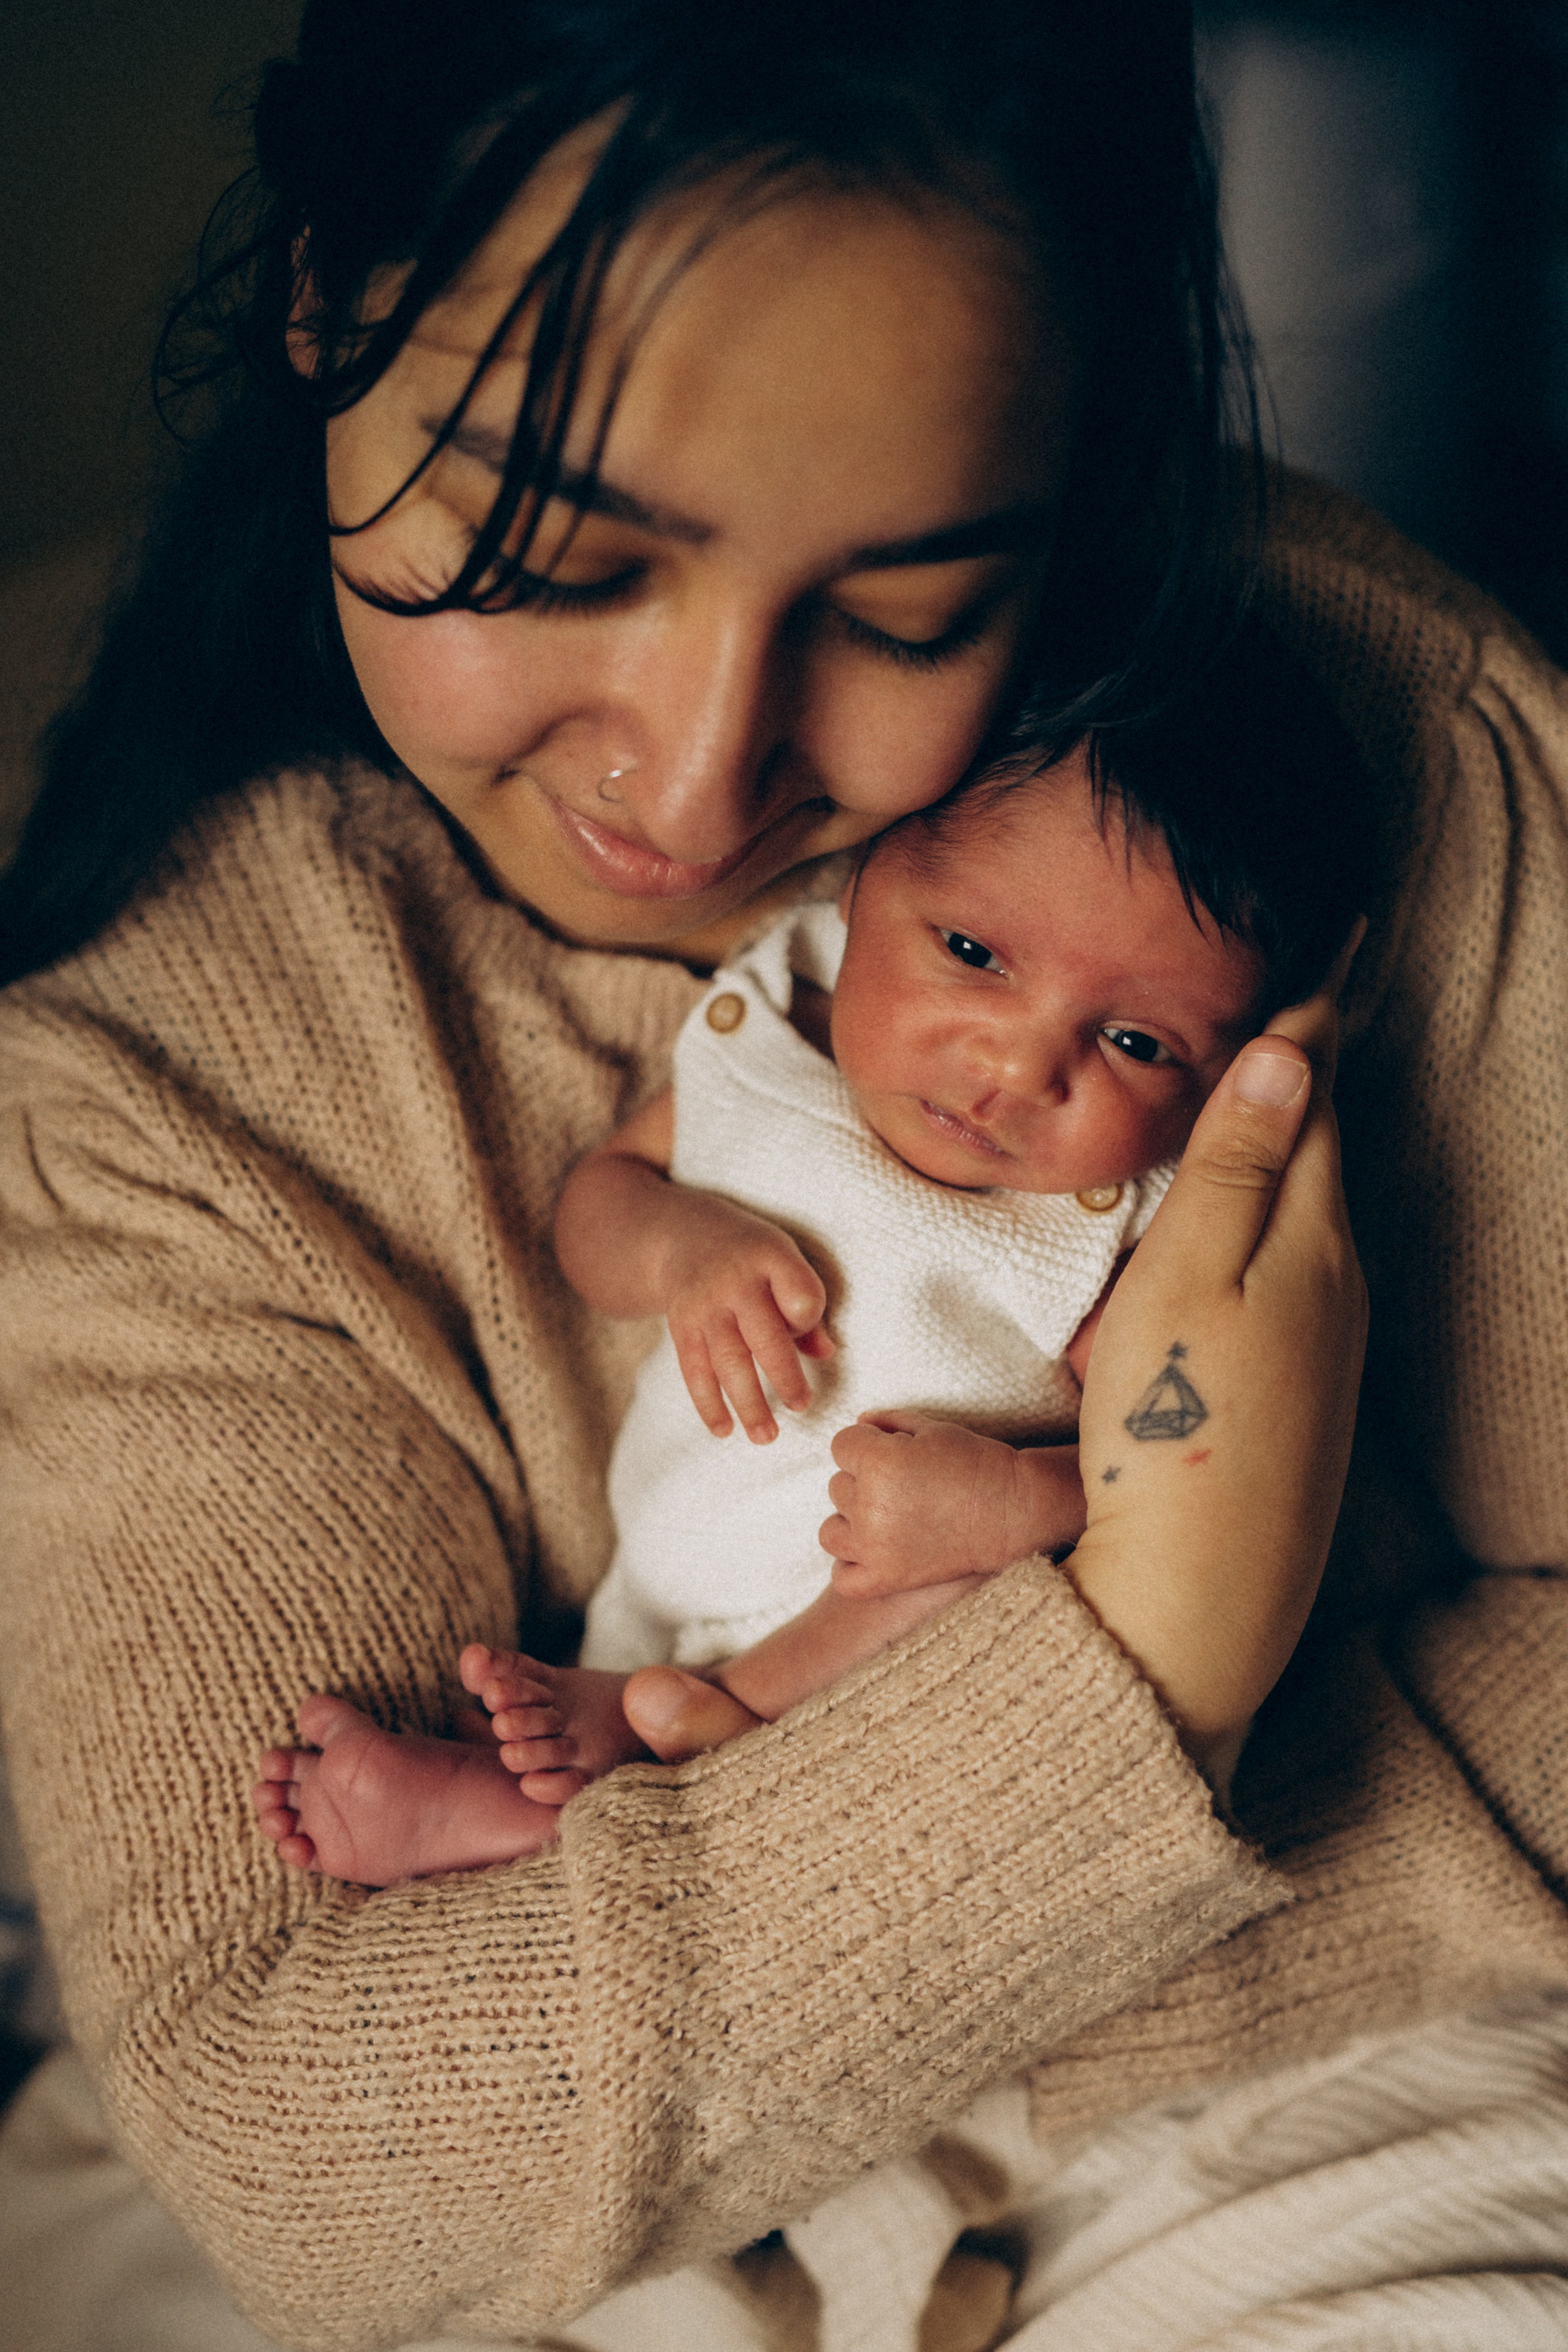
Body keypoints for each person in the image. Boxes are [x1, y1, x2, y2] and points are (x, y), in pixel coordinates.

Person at [0, 5, 1563, 2350]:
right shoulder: (147, 1095)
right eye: (550, 549)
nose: (704, 782)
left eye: (912, 615)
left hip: (1340, 2112)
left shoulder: (1370, 765)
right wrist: (1170, 1648)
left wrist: (866, 1992)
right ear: (325, 303)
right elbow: (322, 2135)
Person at [251, 627, 1376, 1890]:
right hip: (663, 1556)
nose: (1011, 1069)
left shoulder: (1123, 1221)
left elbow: (1163, 1472)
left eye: (1131, 1041)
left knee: (961, 1607)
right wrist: (682, 1249)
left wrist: (1019, 1504)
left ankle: (611, 1766)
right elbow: (596, 1208)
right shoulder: (774, 1031)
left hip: (878, 1629)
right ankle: (543, 1775)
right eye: (969, 954)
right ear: (856, 887)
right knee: (563, 1701)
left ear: (1225, 1069)